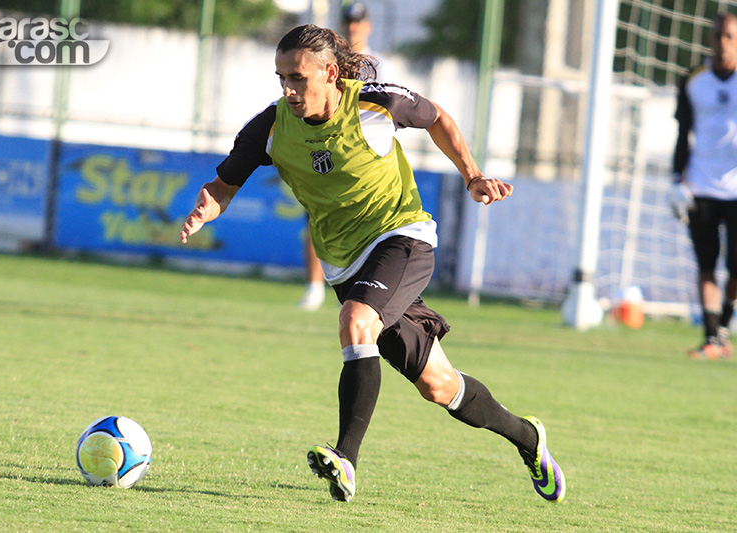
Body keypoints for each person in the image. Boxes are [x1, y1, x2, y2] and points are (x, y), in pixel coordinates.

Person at [180, 24, 565, 504]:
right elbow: (223, 185)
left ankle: (346, 458)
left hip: (403, 235)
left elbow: (437, 117)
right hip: (346, 263)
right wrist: (206, 208)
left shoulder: (377, 102)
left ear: (331, 72)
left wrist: (473, 176)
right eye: (281, 78)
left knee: (356, 320)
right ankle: (528, 438)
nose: (288, 89)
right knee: (438, 386)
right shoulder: (271, 127)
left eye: (297, 78)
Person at [297, 2, 393, 311]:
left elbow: (389, 109)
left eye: (358, 23)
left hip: (362, 158)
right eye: (349, 22)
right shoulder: (326, 62)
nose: (353, 27)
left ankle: (367, 289)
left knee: (372, 226)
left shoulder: (377, 64)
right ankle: (314, 287)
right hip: (325, 150)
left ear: (368, 26)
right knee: (318, 218)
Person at [672, 13, 737, 360]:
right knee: (707, 264)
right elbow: (683, 134)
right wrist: (675, 179)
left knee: (736, 268)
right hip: (701, 185)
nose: (722, 42)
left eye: (729, 36)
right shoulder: (694, 79)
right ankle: (712, 338)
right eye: (717, 36)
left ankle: (723, 326)